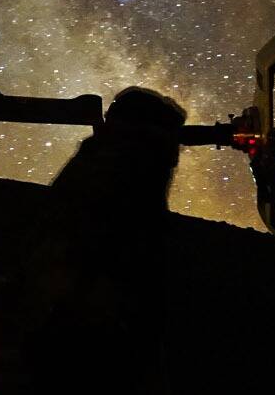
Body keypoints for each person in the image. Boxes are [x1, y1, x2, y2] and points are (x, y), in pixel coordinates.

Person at [11, 87, 187, 392]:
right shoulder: (126, 177)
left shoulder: (98, 167)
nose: (173, 158)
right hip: (86, 336)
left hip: (71, 330)